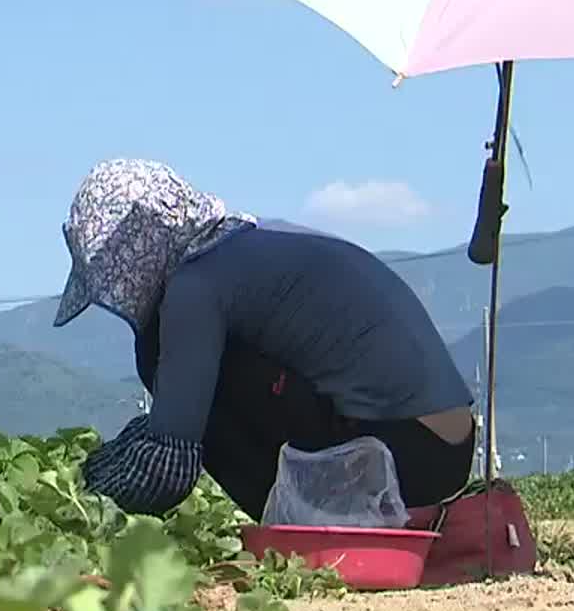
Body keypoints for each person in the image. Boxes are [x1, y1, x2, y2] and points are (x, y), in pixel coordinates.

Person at [54, 158, 477, 521]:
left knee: (157, 355)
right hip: (446, 451)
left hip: (401, 458)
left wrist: (83, 499)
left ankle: (292, 528)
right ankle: (300, 513)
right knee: (183, 373)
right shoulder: (251, 245)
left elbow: (171, 465)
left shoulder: (195, 286)